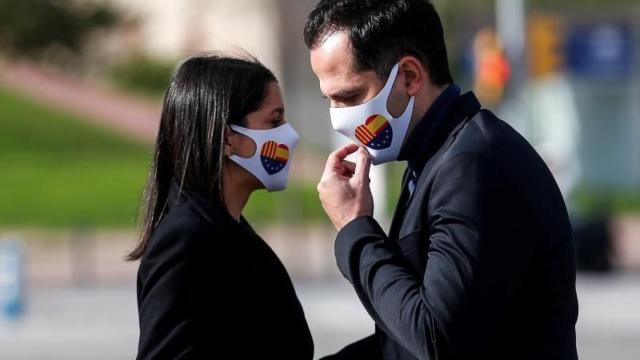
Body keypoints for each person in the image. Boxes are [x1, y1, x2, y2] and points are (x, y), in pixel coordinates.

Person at [304, 1, 578, 359]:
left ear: (410, 76)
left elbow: (436, 340)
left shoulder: (473, 164)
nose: (339, 118)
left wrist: (355, 228)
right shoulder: (434, 156)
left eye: (351, 96)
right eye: (330, 100)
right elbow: (406, 337)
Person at [128, 54, 314, 359]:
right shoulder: (186, 240)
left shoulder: (228, 230)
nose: (289, 135)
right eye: (274, 120)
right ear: (228, 138)